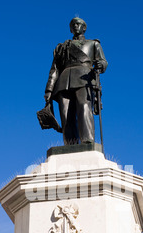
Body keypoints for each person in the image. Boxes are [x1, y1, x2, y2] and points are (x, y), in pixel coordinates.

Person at [44, 17, 108, 145]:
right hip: (63, 80)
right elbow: (54, 69)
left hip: (84, 78)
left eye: (78, 24)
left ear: (84, 28)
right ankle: (70, 143)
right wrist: (49, 89)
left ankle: (87, 140)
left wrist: (101, 65)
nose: (75, 26)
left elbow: (103, 61)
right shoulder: (62, 47)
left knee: (84, 107)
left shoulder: (93, 44)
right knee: (66, 113)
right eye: (73, 24)